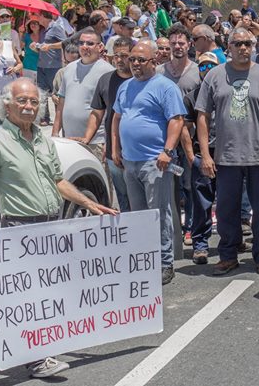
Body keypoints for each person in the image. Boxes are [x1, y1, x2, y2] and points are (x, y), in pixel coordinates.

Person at [0, 78, 117, 377]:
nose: (30, 106)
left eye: (34, 101)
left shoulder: (42, 139)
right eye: (22, 101)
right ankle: (35, 358)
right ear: (7, 105)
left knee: (47, 292)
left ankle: (42, 348)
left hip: (49, 226)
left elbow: (58, 181)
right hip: (21, 229)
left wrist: (88, 204)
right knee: (28, 297)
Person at [195, 27, 259, 276]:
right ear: (229, 47)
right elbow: (202, 116)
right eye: (238, 44)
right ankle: (228, 255)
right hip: (225, 156)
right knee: (226, 209)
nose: (243, 48)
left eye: (247, 43)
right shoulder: (214, 76)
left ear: (254, 46)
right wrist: (205, 154)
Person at [111, 40, 186, 285]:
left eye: (140, 60)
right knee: (139, 214)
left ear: (154, 61)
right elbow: (117, 117)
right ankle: (145, 259)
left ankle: (165, 262)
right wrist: (115, 148)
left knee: (159, 212)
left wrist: (167, 150)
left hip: (155, 162)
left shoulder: (165, 87)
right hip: (130, 161)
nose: (134, 64)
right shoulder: (125, 87)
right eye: (132, 59)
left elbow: (176, 120)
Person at [85, 35, 134, 212]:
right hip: (114, 151)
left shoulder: (141, 79)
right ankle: (128, 232)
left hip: (138, 151)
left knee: (140, 197)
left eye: (125, 56)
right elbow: (97, 113)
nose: (120, 60)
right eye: (117, 56)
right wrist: (86, 139)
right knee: (122, 195)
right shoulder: (105, 80)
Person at [180, 53, 220, 264]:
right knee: (201, 203)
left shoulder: (226, 91)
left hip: (226, 155)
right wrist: (190, 157)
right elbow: (185, 129)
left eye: (211, 66)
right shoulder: (191, 96)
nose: (206, 70)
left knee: (227, 203)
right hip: (201, 155)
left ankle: (231, 242)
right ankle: (200, 245)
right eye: (202, 66)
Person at [54, 28, 114, 148]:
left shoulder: (108, 72)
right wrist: (55, 132)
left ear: (100, 47)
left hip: (96, 141)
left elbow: (112, 111)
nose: (84, 46)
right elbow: (61, 104)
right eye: (81, 43)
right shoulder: (69, 68)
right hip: (68, 140)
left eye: (90, 43)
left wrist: (108, 143)